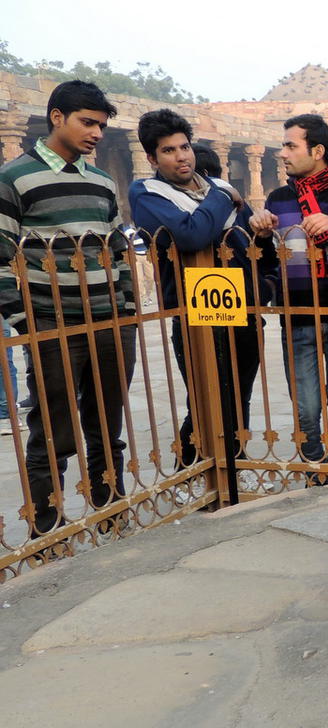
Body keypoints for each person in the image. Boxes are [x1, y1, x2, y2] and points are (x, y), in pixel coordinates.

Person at [0, 80, 136, 534]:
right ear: (56, 117)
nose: (96, 133)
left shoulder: (100, 181)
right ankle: (49, 528)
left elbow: (117, 250)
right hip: (52, 325)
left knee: (105, 426)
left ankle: (110, 513)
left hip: (110, 322)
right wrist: (25, 319)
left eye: (101, 125)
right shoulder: (15, 177)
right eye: (87, 122)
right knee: (52, 432)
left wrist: (128, 309)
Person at [129, 109, 277, 466]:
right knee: (206, 399)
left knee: (239, 397)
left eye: (184, 147)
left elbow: (250, 248)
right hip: (194, 313)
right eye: (168, 150)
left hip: (240, 308)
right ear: (152, 158)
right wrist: (224, 192)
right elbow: (191, 235)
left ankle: (232, 468)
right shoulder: (147, 193)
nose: (181, 156)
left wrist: (261, 232)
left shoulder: (215, 190)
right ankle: (193, 468)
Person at [249, 114, 328, 478]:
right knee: (305, 406)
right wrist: (259, 233)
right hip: (299, 316)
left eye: (291, 145)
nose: (283, 153)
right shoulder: (278, 199)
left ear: (317, 150)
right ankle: (313, 467)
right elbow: (268, 261)